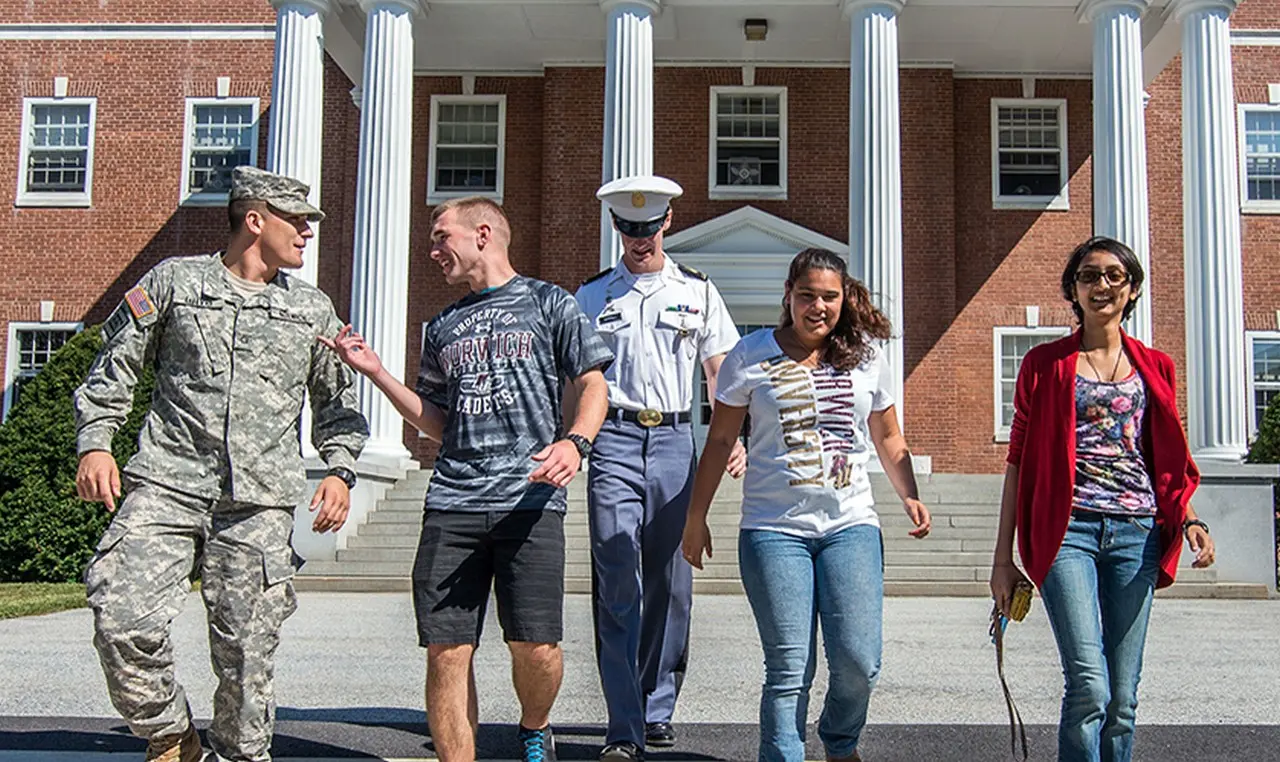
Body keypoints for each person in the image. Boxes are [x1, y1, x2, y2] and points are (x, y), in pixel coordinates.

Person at [74, 166, 369, 762]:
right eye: (298, 222)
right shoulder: (174, 283)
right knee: (120, 613)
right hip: (167, 483)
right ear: (255, 221)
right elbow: (115, 370)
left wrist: (340, 468)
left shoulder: (311, 310)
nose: (308, 234)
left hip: (258, 503)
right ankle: (170, 734)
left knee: (247, 654)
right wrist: (96, 442)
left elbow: (338, 402)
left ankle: (240, 756)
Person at [321, 196, 612, 762]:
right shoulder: (444, 326)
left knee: (537, 648)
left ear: (483, 234)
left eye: (440, 237)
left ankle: (534, 725)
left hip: (530, 501)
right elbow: (437, 420)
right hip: (452, 501)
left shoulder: (551, 303)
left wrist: (576, 442)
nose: (432, 251)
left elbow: (593, 382)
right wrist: (378, 372)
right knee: (446, 650)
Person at [682, 248, 931, 762]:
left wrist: (908, 492)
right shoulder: (749, 354)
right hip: (774, 529)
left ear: (844, 299)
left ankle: (840, 741)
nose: (818, 306)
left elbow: (887, 435)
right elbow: (720, 438)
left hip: (850, 524)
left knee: (859, 661)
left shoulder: (864, 355)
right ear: (788, 296)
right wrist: (695, 515)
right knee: (789, 665)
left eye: (829, 296)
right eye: (807, 296)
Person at [989, 236, 1216, 762]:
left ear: (1132, 288)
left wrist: (1189, 518)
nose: (1102, 285)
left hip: (1137, 532)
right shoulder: (1045, 365)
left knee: (1123, 697)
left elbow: (1166, 456)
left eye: (1115, 276)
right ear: (1074, 288)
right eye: (1090, 276)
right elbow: (1017, 461)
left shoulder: (1156, 366)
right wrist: (1003, 559)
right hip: (1068, 531)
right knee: (1089, 683)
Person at [574, 175, 745, 761]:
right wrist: (571, 441)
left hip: (675, 439)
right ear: (616, 229)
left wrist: (734, 435)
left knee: (671, 584)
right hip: (615, 440)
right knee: (617, 575)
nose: (639, 239)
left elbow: (719, 369)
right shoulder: (593, 297)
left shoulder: (698, 292)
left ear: (667, 224)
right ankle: (623, 724)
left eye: (648, 228)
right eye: (628, 228)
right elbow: (578, 379)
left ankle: (656, 703)